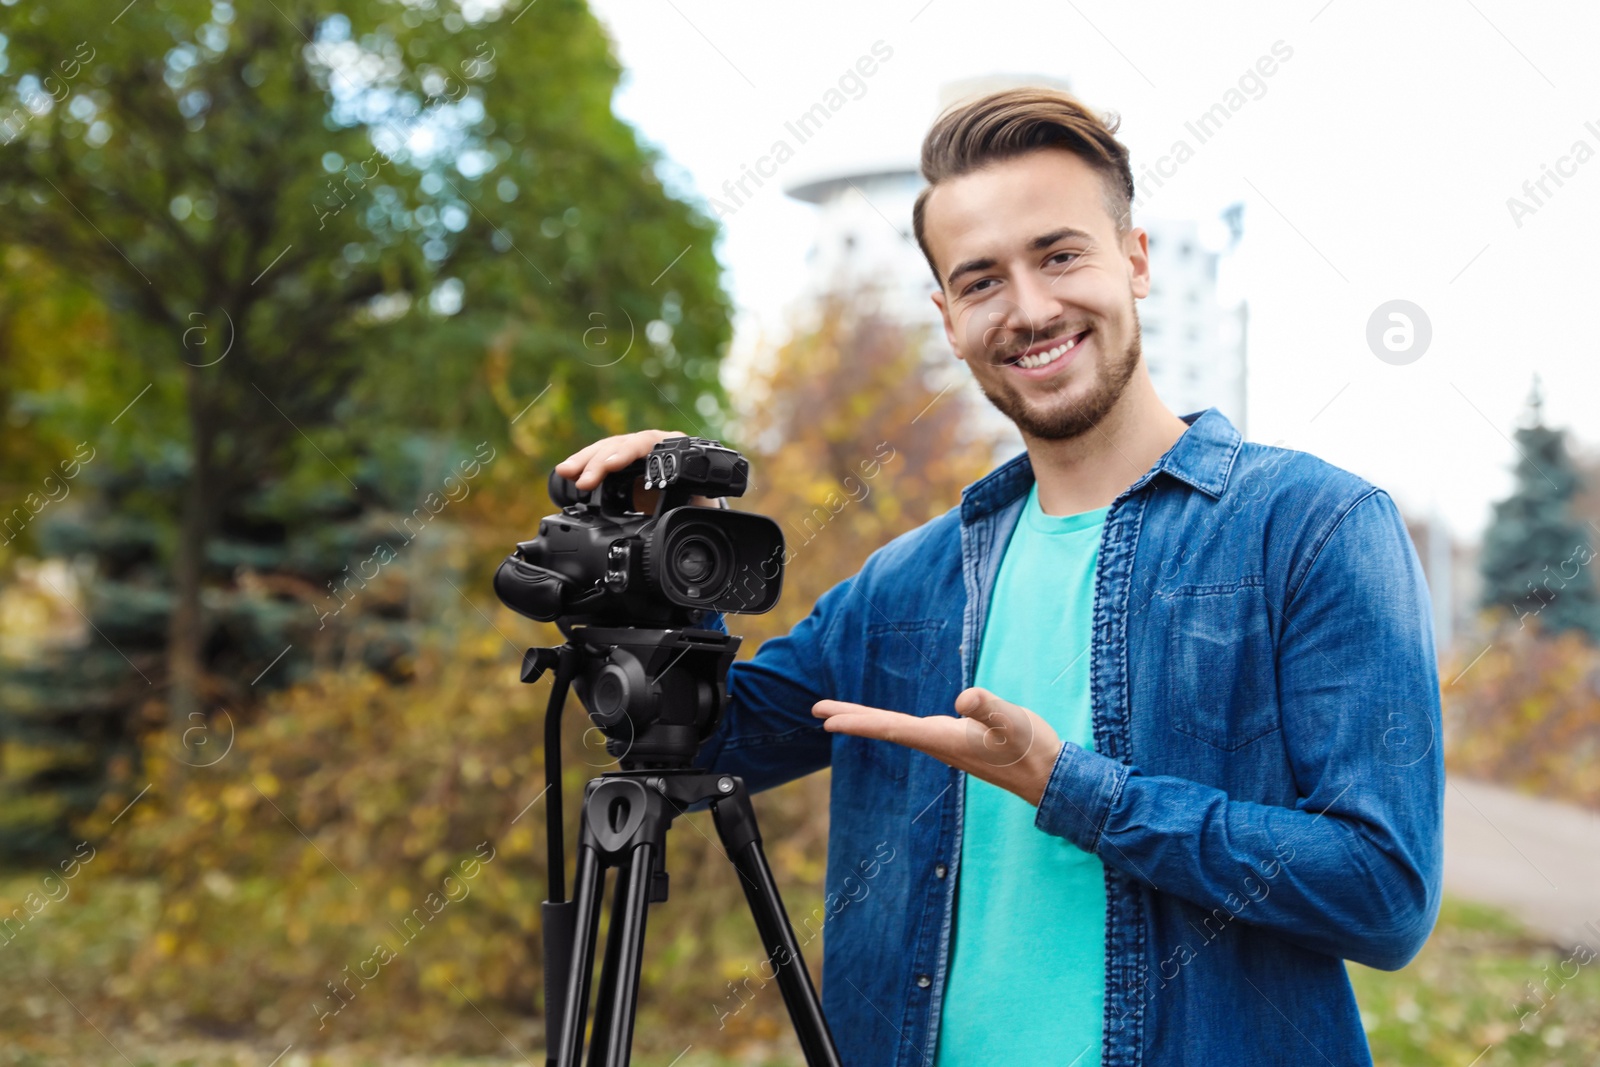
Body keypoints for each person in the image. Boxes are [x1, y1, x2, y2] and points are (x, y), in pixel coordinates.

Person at [554, 87, 1442, 1067]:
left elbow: (1383, 891)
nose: (1028, 309)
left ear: (1135, 259)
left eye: (1060, 255)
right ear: (946, 315)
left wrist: (1071, 788)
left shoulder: (1311, 529)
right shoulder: (902, 587)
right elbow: (691, 746)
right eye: (980, 280)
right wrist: (654, 549)